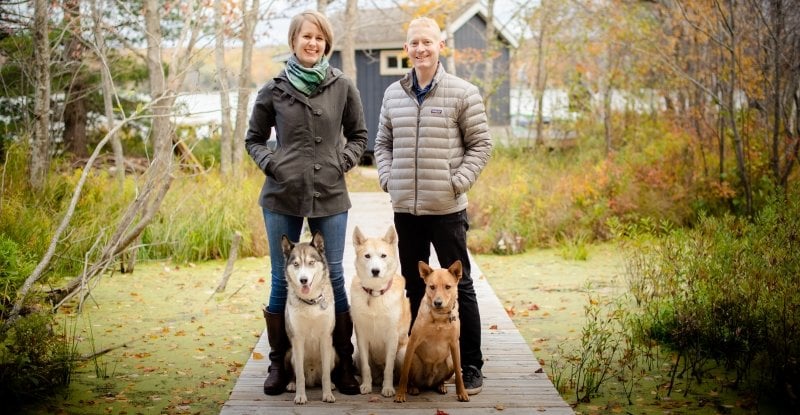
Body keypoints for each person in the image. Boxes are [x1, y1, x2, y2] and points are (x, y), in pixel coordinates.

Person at [245, 9, 367, 396]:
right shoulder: (273, 88)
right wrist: (272, 164)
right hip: (281, 194)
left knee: (331, 272)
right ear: (293, 41)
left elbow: (359, 135)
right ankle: (280, 365)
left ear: (326, 43)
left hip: (330, 192)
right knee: (282, 278)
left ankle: (343, 363)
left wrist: (340, 163)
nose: (312, 43)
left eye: (319, 37)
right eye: (305, 37)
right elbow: (253, 138)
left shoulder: (342, 85)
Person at [373, 16, 492, 395]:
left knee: (464, 286)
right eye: (414, 43)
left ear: (440, 46)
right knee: (413, 285)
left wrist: (456, 182)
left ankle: (470, 364)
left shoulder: (462, 92)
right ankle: (419, 359)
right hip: (406, 210)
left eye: (427, 42)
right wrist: (389, 178)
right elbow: (381, 145)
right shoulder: (393, 95)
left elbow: (482, 145)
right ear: (406, 49)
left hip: (447, 210)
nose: (421, 49)